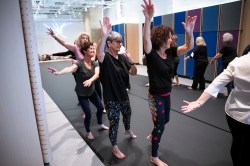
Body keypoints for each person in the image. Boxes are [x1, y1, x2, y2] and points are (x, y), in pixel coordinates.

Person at [141, 0, 197, 165]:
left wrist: (190, 31)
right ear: (161, 38)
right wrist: (148, 19)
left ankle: (154, 131)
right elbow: (146, 41)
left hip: (167, 94)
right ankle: (154, 156)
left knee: (165, 121)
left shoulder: (172, 52)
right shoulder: (151, 54)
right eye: (169, 37)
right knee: (160, 126)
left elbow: (189, 46)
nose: (172, 39)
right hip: (155, 95)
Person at [181, 52, 250, 166]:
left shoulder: (239, 62)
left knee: (238, 144)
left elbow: (217, 82)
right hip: (238, 115)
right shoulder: (238, 60)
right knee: (240, 145)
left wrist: (199, 102)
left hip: (234, 113)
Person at [48, 41, 109, 140]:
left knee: (101, 108)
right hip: (82, 94)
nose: (93, 50)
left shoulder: (94, 63)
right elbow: (70, 69)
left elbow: (97, 74)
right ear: (84, 51)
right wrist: (59, 72)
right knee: (88, 114)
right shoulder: (79, 64)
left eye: (94, 48)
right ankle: (88, 131)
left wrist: (90, 80)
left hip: (92, 91)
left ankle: (100, 123)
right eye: (91, 49)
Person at [96, 16, 137, 159]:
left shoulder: (123, 57)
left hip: (123, 94)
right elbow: (98, 53)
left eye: (121, 42)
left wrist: (131, 61)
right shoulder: (105, 58)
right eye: (117, 42)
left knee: (128, 114)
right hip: (111, 98)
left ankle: (128, 130)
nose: (120, 44)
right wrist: (103, 34)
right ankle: (114, 147)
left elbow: (134, 73)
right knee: (114, 123)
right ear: (109, 43)